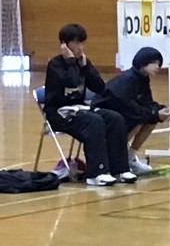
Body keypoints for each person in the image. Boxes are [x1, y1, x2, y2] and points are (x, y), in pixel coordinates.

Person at [43, 24, 137, 186]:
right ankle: (96, 173)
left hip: (79, 109)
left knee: (115, 118)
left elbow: (100, 87)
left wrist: (86, 68)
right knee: (94, 121)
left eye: (82, 43)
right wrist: (71, 62)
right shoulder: (55, 65)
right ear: (64, 44)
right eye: (76, 43)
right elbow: (71, 82)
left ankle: (120, 169)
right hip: (58, 113)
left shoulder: (82, 63)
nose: (80, 47)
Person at [91, 47, 170, 174]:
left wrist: (159, 110)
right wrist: (154, 113)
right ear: (142, 62)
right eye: (153, 62)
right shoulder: (128, 79)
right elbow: (130, 107)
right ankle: (117, 158)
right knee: (137, 122)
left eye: (159, 63)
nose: (157, 67)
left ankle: (130, 157)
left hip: (122, 112)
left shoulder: (143, 79)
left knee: (151, 121)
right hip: (104, 112)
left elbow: (146, 103)